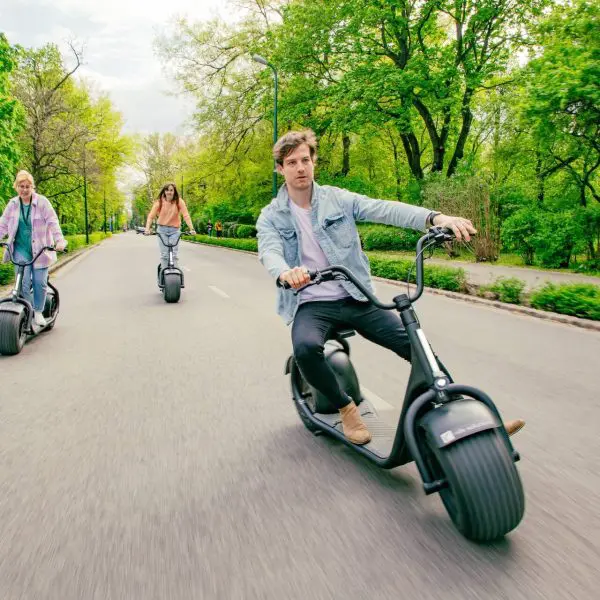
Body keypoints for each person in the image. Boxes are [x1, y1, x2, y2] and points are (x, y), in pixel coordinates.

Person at [256, 130, 525, 445]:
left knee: (415, 343)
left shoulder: (338, 199)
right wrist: (287, 272)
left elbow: (384, 209)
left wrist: (436, 218)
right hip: (311, 302)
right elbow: (269, 251)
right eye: (291, 162)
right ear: (280, 169)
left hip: (355, 295)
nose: (300, 168)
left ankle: (462, 410)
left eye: (305, 160)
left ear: (314, 162)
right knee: (304, 349)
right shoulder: (271, 217)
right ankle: (346, 408)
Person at [0, 170, 68, 327]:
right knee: (22, 282)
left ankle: (38, 312)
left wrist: (59, 241)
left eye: (27, 186)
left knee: (39, 282)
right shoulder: (12, 204)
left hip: (40, 249)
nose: (24, 189)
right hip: (20, 248)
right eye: (21, 186)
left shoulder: (42, 202)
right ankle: (26, 310)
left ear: (32, 187)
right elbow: (3, 224)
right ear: (16, 187)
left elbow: (53, 222)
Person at [144, 182, 195, 269]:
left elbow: (186, 215)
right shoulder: (159, 202)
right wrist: (147, 229)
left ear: (174, 191)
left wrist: (192, 229)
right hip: (162, 230)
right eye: (167, 190)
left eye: (171, 190)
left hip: (175, 230)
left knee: (174, 255)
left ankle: (176, 278)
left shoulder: (179, 201)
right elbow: (151, 217)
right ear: (164, 191)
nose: (169, 192)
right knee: (164, 255)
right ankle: (164, 277)